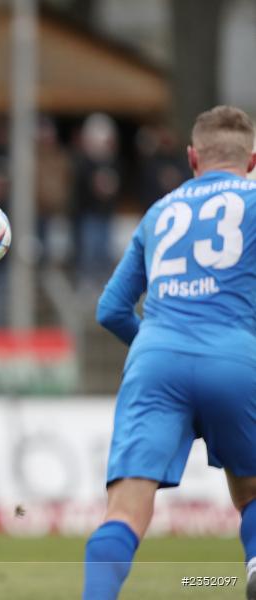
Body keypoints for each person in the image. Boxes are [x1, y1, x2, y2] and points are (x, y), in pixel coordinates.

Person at [85, 105, 256, 600]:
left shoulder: (160, 211)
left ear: (191, 157)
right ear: (251, 161)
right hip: (235, 359)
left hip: (157, 358)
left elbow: (111, 309)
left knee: (123, 512)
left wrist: (161, 348)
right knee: (250, 493)